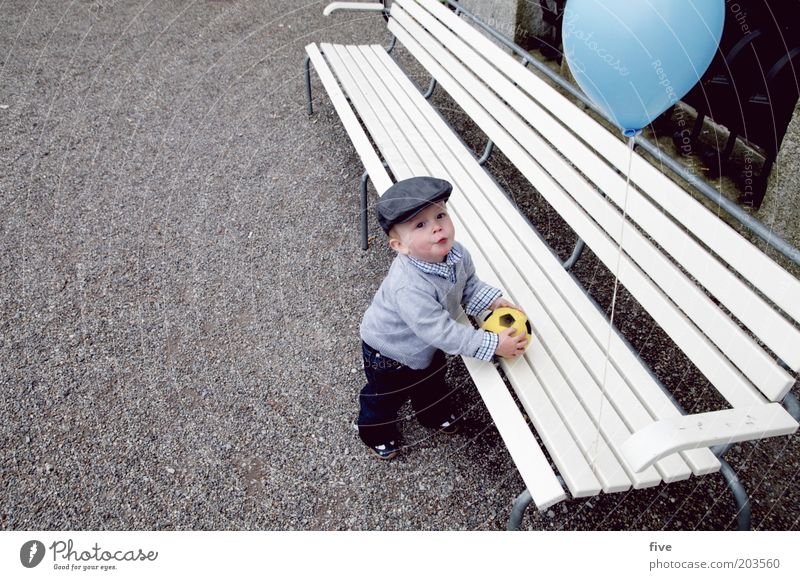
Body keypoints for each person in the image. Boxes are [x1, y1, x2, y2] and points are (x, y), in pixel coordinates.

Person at [357, 176, 528, 460]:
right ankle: (376, 431)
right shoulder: (409, 286)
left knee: (433, 379)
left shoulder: (456, 254)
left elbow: (469, 285)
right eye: (420, 225)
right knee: (385, 396)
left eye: (440, 215)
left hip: (425, 344)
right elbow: (441, 331)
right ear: (399, 246)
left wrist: (493, 301)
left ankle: (433, 414)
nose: (437, 227)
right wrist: (491, 343)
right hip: (389, 352)